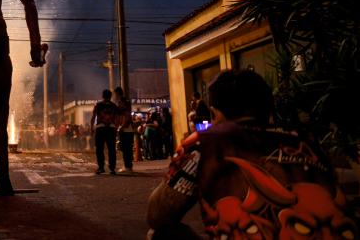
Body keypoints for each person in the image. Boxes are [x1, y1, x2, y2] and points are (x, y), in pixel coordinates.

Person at [147, 69, 358, 239]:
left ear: (215, 113)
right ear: (268, 110)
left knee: (160, 234)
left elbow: (158, 215)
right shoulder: (306, 143)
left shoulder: (207, 142)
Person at [90, 89, 117, 175]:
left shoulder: (98, 105)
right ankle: (112, 168)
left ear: (102, 96)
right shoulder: (114, 106)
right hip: (111, 128)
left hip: (100, 128)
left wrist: (91, 128)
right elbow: (117, 118)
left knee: (99, 149)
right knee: (111, 149)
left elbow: (93, 117)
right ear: (110, 96)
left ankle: (101, 167)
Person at [114, 87, 134, 172]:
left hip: (125, 129)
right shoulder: (127, 102)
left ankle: (127, 167)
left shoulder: (122, 102)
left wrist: (121, 126)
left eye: (115, 94)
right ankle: (129, 166)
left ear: (117, 94)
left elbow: (125, 116)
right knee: (128, 148)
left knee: (125, 148)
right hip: (129, 129)